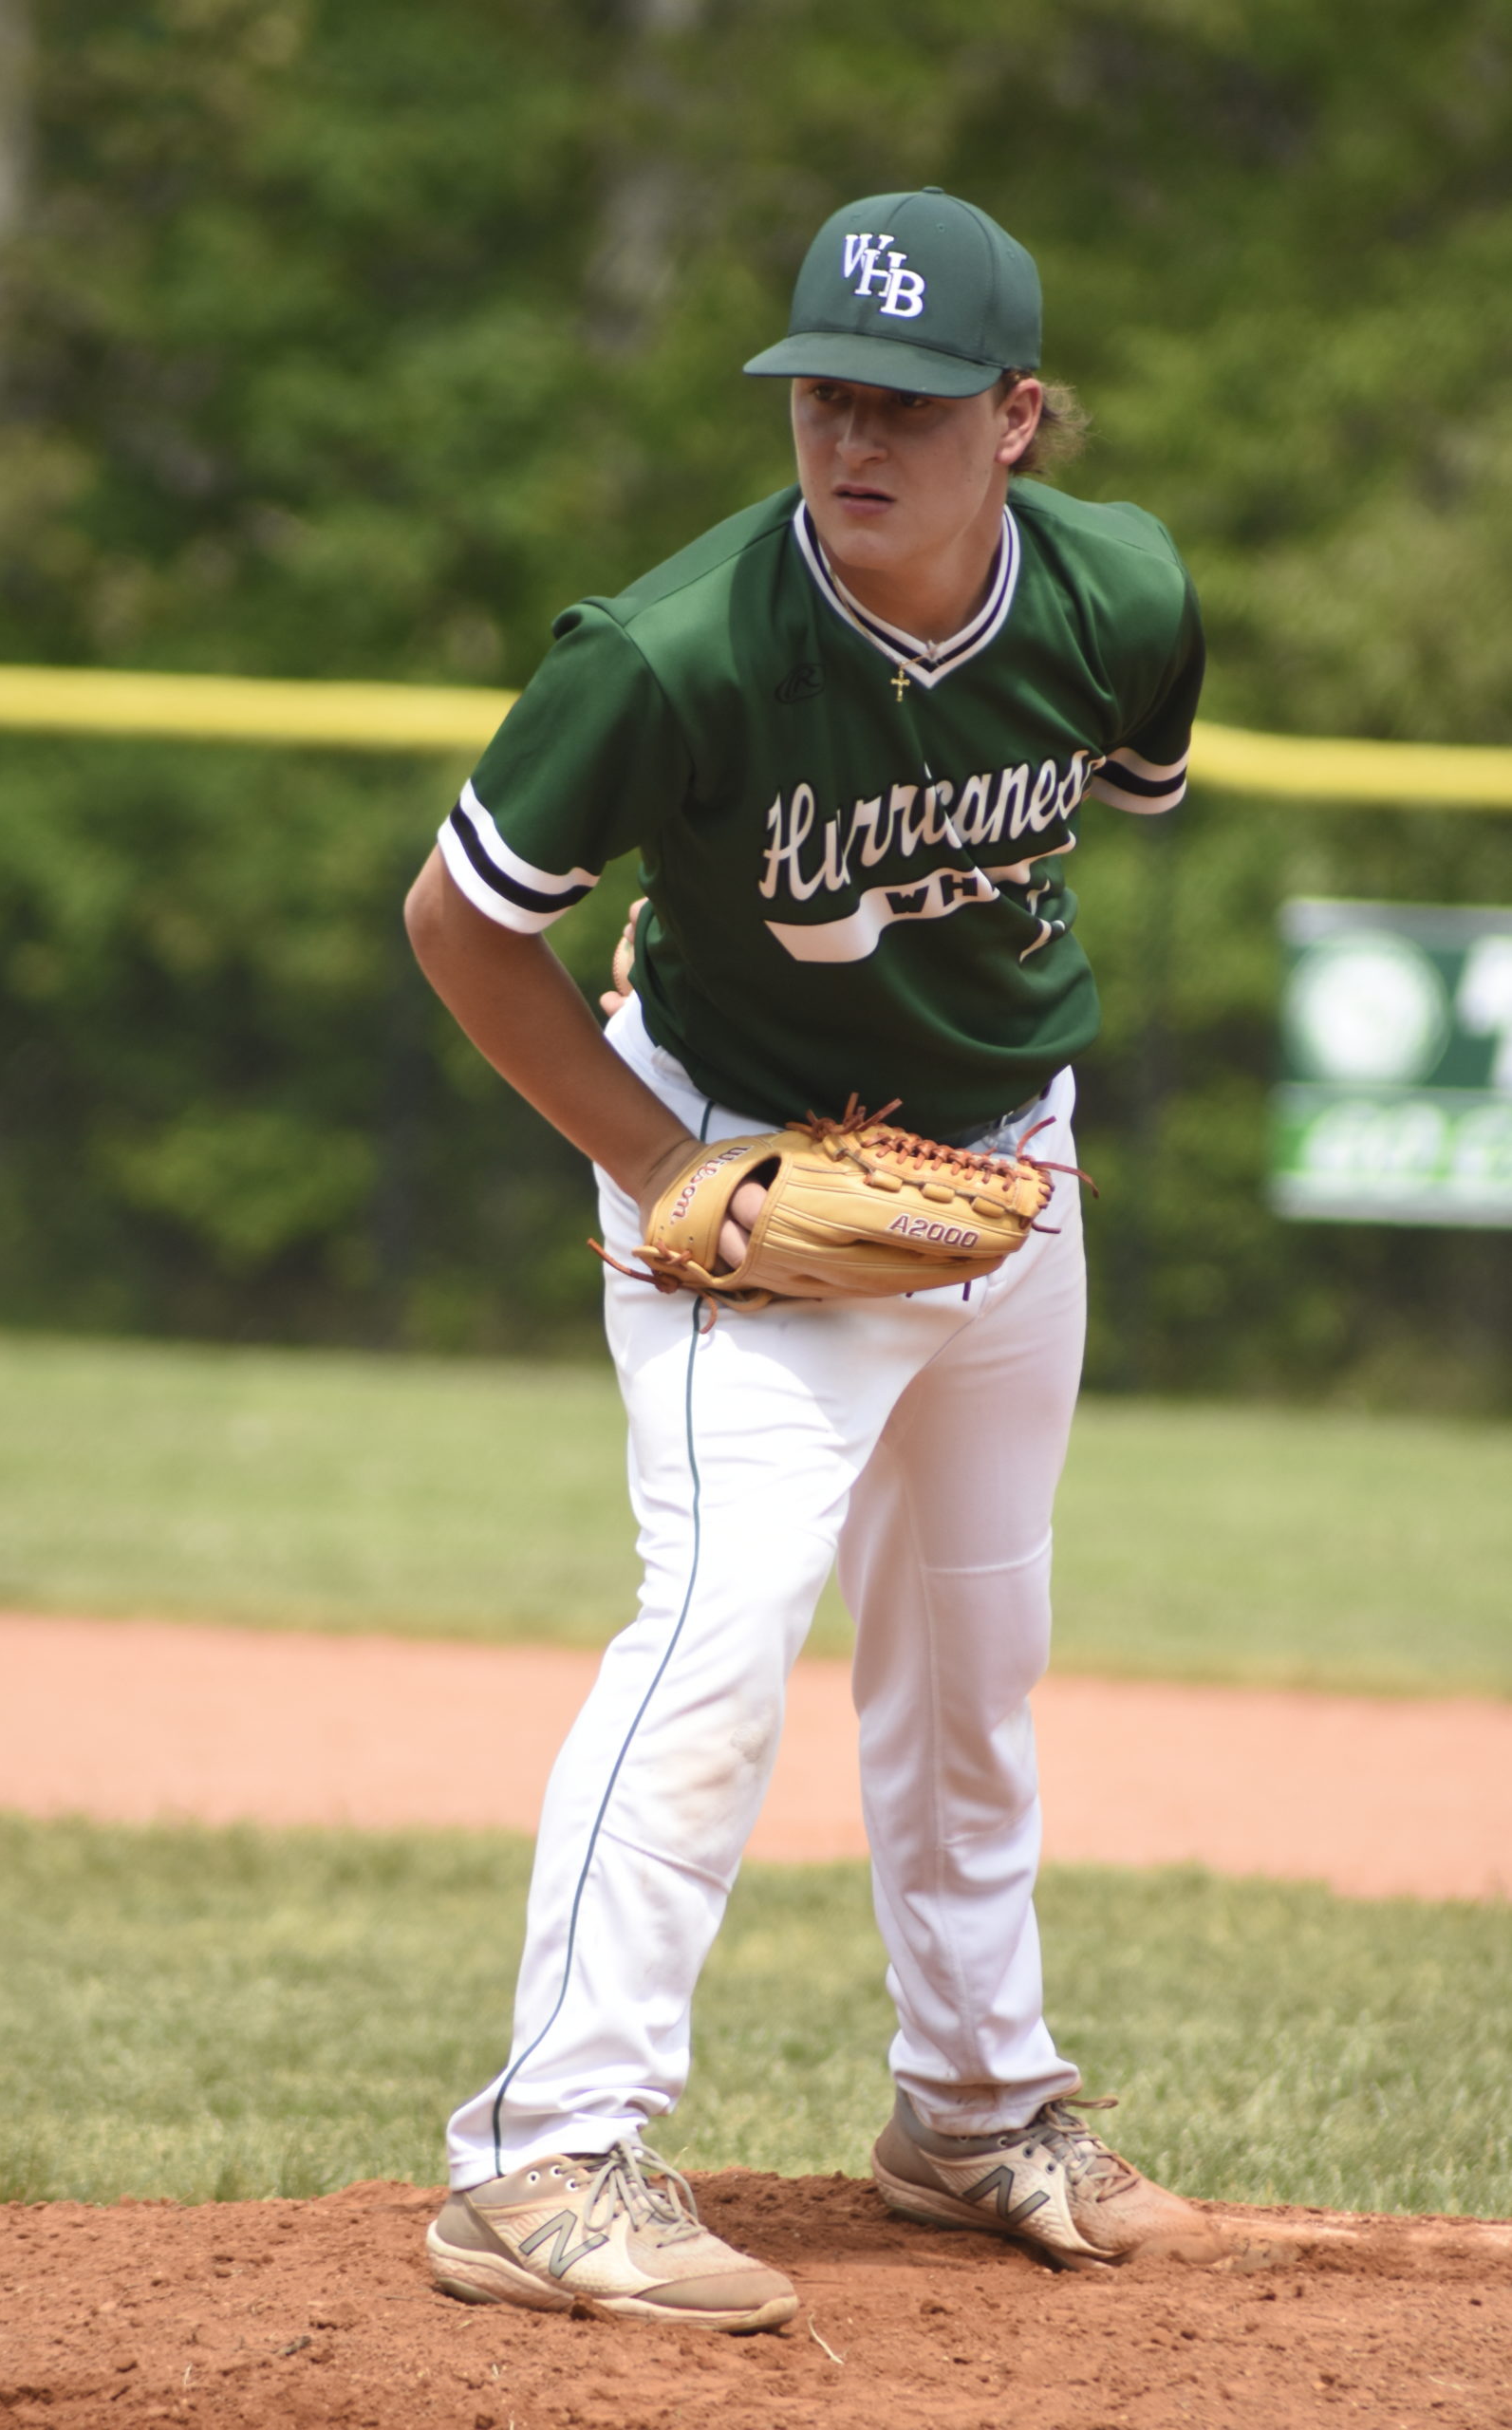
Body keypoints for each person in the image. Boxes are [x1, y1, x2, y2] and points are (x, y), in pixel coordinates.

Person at [405, 186, 1220, 2331]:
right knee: (719, 1633)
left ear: (1015, 419)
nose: (850, 435)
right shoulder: (672, 651)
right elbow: (461, 923)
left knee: (971, 1652)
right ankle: (541, 2154)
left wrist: (981, 1109)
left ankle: (971, 2109)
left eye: (909, 401)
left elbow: (1099, 817)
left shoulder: (1122, 591)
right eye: (822, 394)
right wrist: (668, 1164)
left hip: (997, 1180)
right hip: (745, 1197)